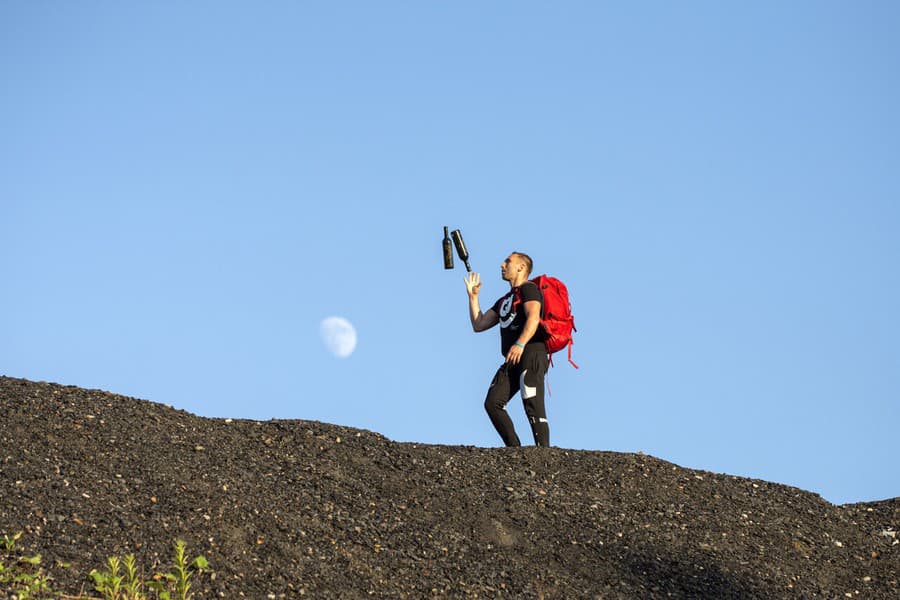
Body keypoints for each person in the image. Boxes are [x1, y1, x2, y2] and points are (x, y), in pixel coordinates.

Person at [465, 252, 550, 447]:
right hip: (513, 357)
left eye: (508, 262)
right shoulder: (504, 299)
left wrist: (520, 344)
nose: (502, 265)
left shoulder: (529, 289)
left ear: (521, 267)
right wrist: (473, 297)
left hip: (531, 352)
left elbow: (533, 317)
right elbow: (479, 324)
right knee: (493, 403)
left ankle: (545, 454)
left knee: (532, 402)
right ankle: (515, 451)